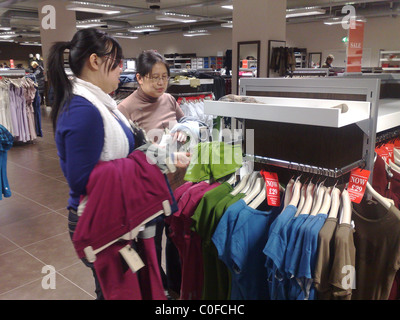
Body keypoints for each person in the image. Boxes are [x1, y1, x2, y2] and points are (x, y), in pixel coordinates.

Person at [118, 50, 190, 297]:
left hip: (178, 182)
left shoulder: (169, 99)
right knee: (152, 242)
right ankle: (156, 289)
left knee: (175, 236)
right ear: (139, 78)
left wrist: (183, 132)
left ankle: (173, 286)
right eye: (154, 77)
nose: (160, 83)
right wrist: (154, 151)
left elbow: (185, 124)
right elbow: (125, 156)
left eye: (165, 77)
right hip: (150, 190)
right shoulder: (125, 108)